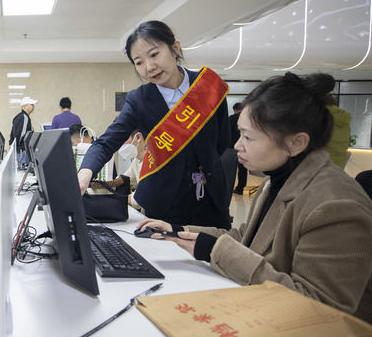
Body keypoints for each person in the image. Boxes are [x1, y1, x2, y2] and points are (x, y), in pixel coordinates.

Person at [139, 72, 372, 323]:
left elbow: (318, 310)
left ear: (296, 143)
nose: (237, 145)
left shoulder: (336, 206)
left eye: (248, 137)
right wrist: (179, 231)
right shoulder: (275, 182)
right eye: (240, 134)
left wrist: (216, 250)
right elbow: (248, 238)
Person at [78, 20, 231, 228]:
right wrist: (85, 172)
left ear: (175, 48)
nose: (149, 67)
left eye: (154, 54)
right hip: (164, 205)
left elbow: (223, 142)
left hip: (211, 201)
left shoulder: (208, 86)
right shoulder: (139, 100)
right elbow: (106, 143)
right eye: (139, 62)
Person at [9, 96, 37, 167]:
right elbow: (21, 135)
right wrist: (18, 148)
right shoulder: (24, 117)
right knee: (22, 170)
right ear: (25, 106)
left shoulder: (21, 116)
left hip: (19, 151)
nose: (33, 106)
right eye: (31, 104)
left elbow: (13, 134)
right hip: (22, 152)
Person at [229, 102, 247, 194]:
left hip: (232, 148)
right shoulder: (247, 119)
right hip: (244, 147)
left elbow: (227, 133)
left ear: (235, 110)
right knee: (243, 169)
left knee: (230, 169)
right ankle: (240, 188)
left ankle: (228, 187)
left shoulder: (231, 118)